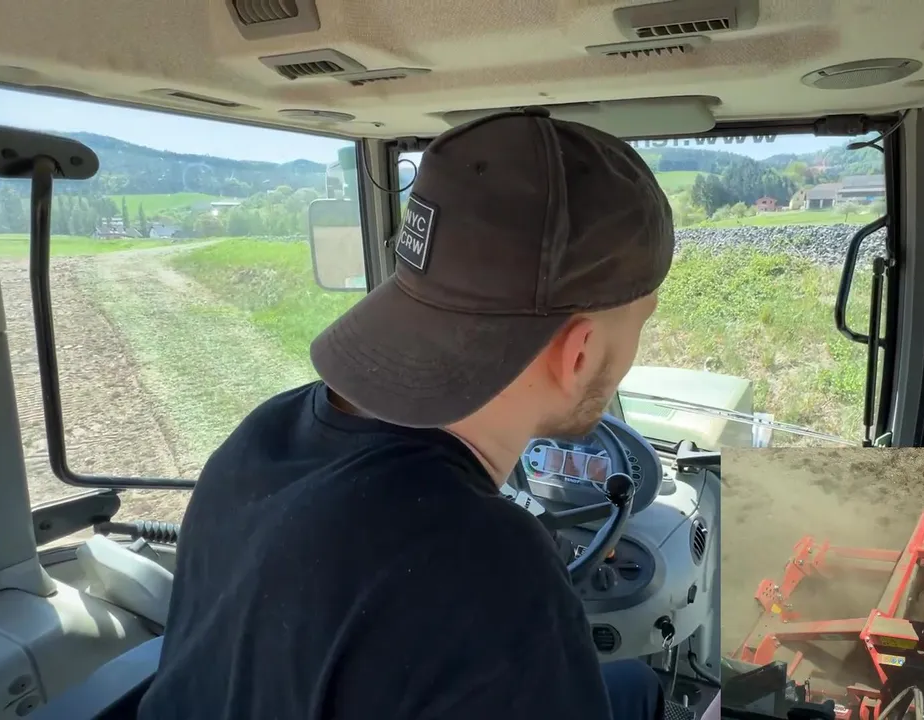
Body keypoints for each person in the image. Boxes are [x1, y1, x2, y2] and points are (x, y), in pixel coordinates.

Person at [136, 107, 675, 720]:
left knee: (632, 685)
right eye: (641, 320)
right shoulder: (490, 571)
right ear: (579, 354)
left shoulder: (263, 435)